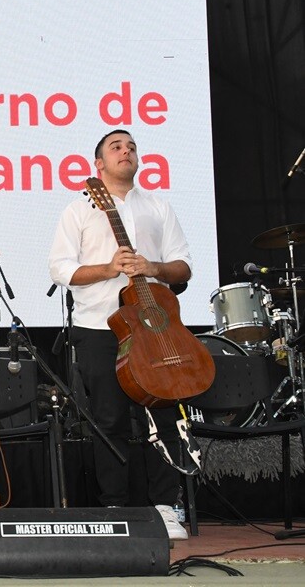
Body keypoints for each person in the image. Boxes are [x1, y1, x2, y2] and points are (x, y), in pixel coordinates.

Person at [48, 129, 190, 540]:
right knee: (108, 419)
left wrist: (154, 268)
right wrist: (109, 269)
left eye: (131, 147)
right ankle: (116, 508)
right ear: (98, 165)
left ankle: (165, 507)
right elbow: (61, 270)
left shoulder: (159, 207)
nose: (126, 151)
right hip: (98, 327)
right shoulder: (79, 210)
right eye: (116, 147)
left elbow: (183, 266)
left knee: (164, 413)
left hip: (154, 328)